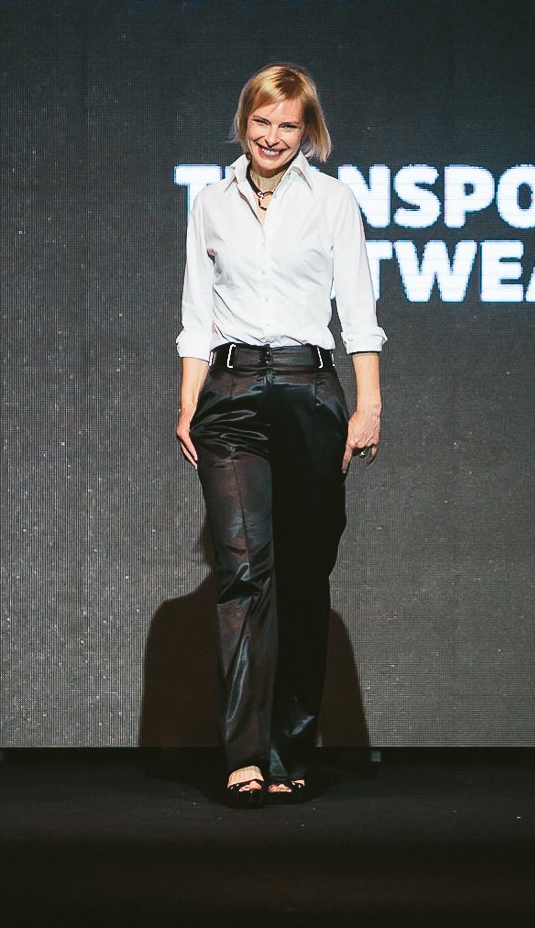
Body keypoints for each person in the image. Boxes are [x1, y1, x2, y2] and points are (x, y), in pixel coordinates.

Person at [175, 62, 383, 807]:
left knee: (302, 576)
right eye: (261, 122)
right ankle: (242, 757)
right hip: (230, 396)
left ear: (307, 130)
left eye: (287, 124)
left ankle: (288, 749)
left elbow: (358, 310)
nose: (272, 136)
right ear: (244, 122)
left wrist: (369, 405)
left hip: (308, 390)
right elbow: (196, 313)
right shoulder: (210, 203)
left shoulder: (333, 202)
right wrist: (188, 402)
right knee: (242, 571)